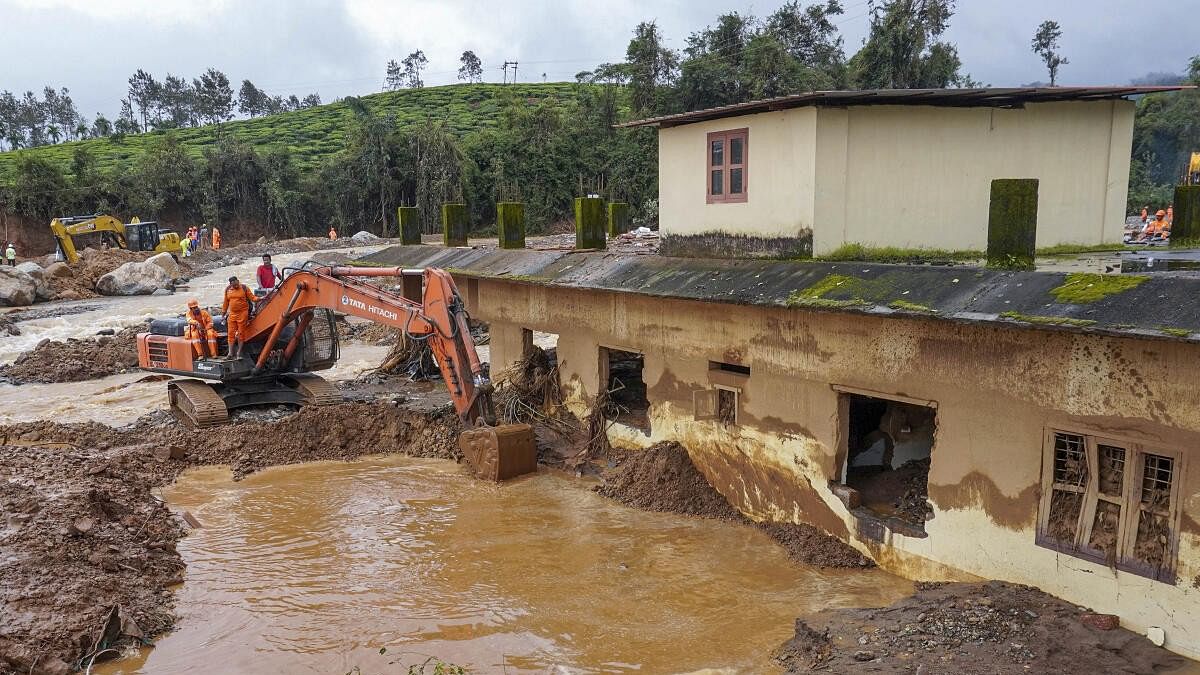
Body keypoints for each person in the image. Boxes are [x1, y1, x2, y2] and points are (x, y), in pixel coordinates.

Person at [222, 276, 255, 359]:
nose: (236, 286)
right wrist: (223, 313)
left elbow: (252, 297)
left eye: (236, 284)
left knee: (241, 333)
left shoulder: (244, 288)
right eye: (234, 285)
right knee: (230, 333)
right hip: (232, 314)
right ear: (231, 284)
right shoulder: (228, 289)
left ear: (238, 281)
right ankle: (230, 353)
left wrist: (260, 298)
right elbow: (225, 302)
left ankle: (239, 353)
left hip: (242, 313)